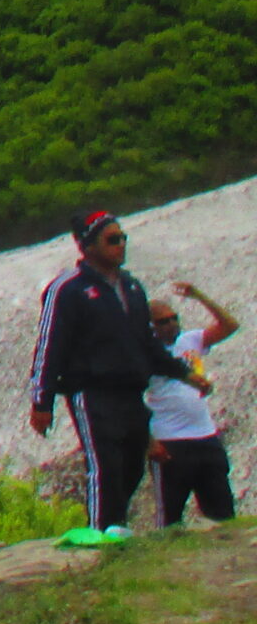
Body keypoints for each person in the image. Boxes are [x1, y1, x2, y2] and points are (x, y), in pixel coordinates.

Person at [28, 209, 199, 535]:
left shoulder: (131, 287)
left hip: (131, 391)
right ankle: (101, 535)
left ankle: (116, 528)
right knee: (104, 466)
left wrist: (183, 372)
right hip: (91, 391)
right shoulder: (68, 289)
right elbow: (50, 344)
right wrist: (41, 401)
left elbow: (146, 342)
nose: (121, 245)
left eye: (123, 238)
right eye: (112, 239)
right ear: (88, 245)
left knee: (133, 465)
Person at [147, 282, 238, 526]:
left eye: (174, 318)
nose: (172, 324)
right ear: (150, 326)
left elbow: (230, 326)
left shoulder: (191, 340)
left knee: (222, 511)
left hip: (205, 435)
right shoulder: (145, 354)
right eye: (163, 321)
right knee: (170, 514)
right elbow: (133, 400)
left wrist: (199, 296)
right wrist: (150, 442)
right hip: (170, 439)